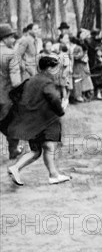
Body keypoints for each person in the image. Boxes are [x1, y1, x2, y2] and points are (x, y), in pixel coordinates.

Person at [6, 56, 71, 186]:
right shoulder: (46, 82)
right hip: (44, 121)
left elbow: (14, 94)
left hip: (31, 121)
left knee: (37, 150)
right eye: (55, 68)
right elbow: (53, 98)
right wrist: (61, 108)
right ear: (48, 69)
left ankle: (51, 174)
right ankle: (52, 175)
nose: (57, 71)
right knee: (47, 147)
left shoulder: (30, 80)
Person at [0, 24, 23, 160]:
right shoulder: (11, 54)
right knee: (14, 122)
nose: (13, 40)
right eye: (11, 37)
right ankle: (13, 149)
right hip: (6, 97)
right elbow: (15, 82)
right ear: (4, 38)